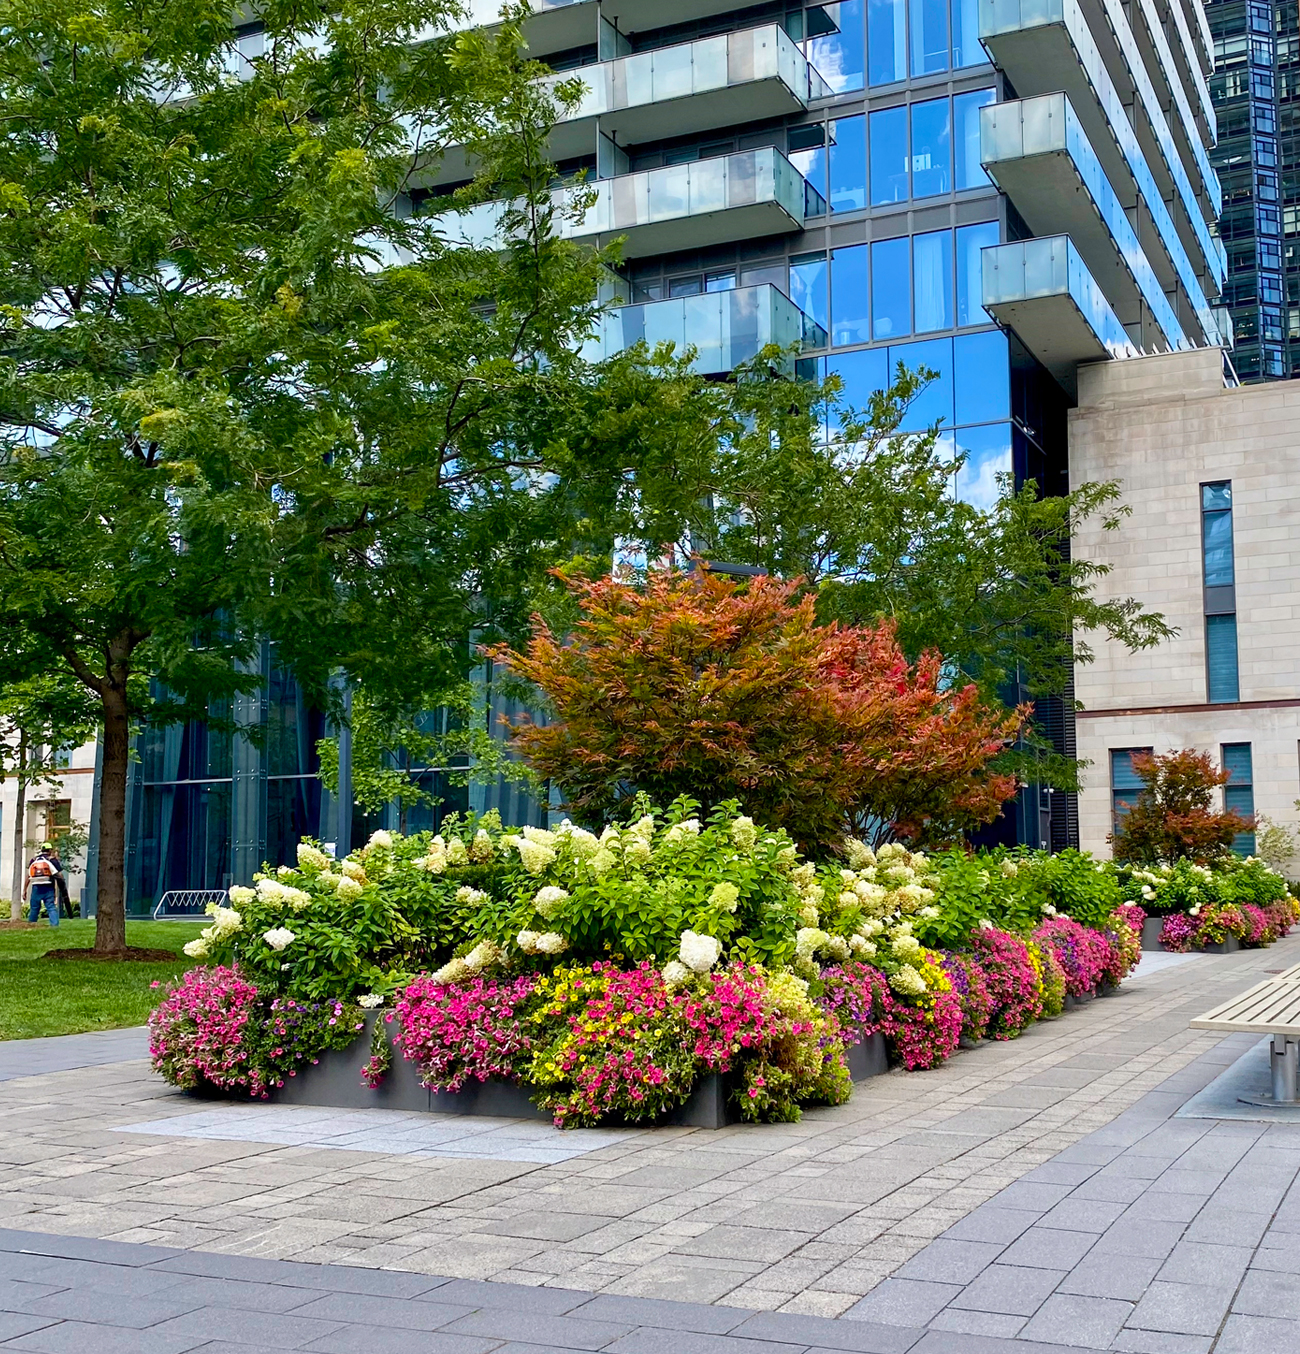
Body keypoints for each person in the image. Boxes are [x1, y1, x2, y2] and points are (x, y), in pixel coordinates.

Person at [22, 843, 62, 928]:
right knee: (51, 907)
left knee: (34, 907)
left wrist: (24, 890)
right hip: (48, 886)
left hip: (36, 886)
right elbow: (59, 875)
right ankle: (54, 925)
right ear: (50, 850)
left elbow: (28, 875)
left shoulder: (34, 860)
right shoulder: (52, 860)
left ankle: (31, 924)